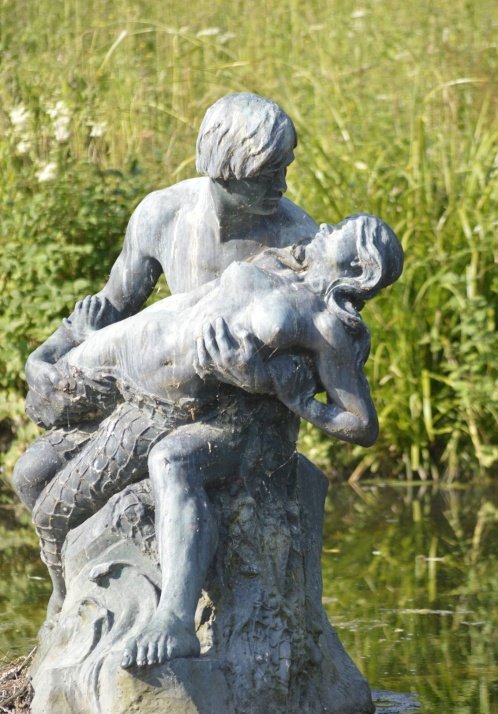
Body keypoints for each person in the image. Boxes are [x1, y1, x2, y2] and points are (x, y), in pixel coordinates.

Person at [28, 213, 403, 667]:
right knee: (37, 481)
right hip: (129, 381)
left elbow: (362, 425)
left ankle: (174, 619)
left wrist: (289, 395)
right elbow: (188, 305)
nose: (327, 229)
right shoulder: (282, 262)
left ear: (359, 269)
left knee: (167, 462)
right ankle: (64, 597)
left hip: (199, 414)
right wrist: (100, 337)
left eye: (345, 230)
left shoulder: (328, 327)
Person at [13, 92, 318, 509]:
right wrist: (42, 358)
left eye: (284, 170)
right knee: (31, 475)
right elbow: (111, 305)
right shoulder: (164, 215)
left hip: (245, 412)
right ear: (227, 169)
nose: (281, 186)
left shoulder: (298, 241)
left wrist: (259, 375)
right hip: (157, 392)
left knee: (150, 478)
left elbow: (322, 356)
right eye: (267, 174)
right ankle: (69, 574)